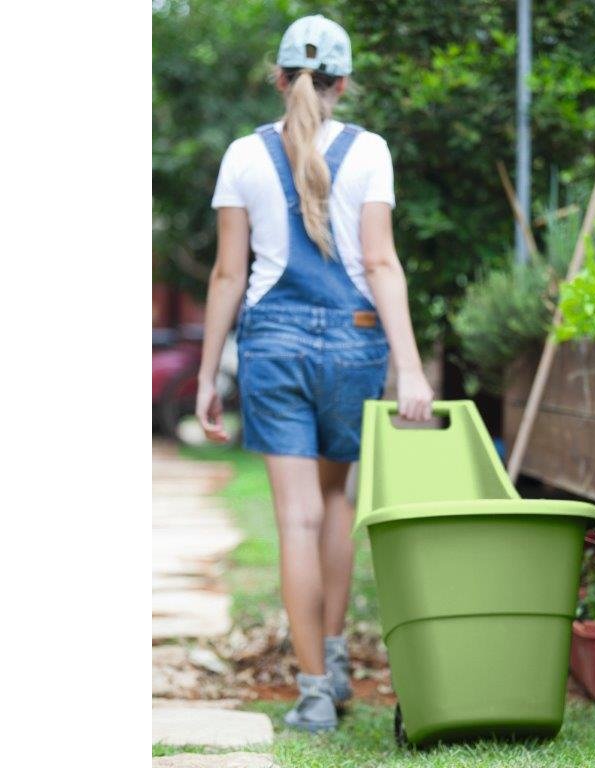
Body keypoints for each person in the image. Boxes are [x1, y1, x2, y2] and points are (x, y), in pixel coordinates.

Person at [195, 14, 434, 732]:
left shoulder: (243, 155)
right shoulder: (371, 151)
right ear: (343, 83)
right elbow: (382, 263)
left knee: (295, 518)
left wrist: (207, 375)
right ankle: (333, 660)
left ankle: (312, 695)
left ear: (279, 78)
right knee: (334, 504)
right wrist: (411, 370)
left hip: (273, 346)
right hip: (354, 345)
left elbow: (227, 274)